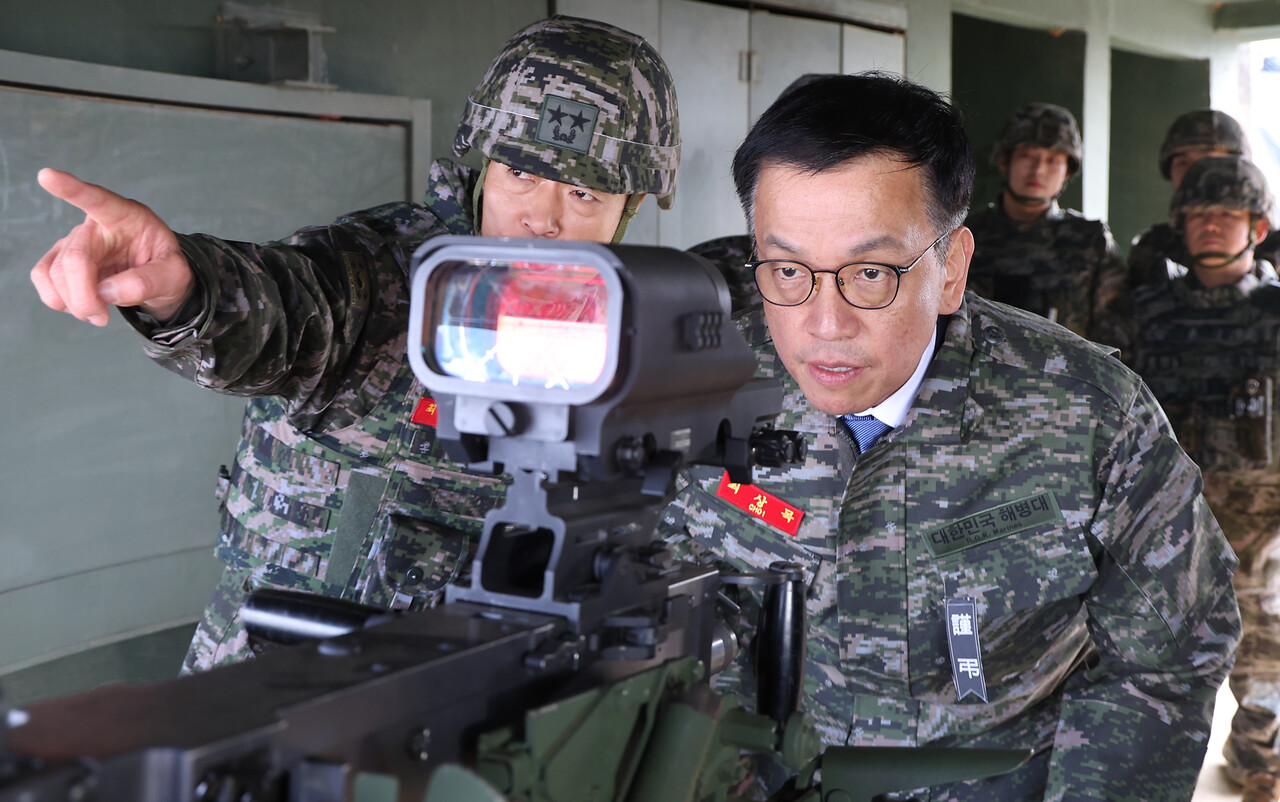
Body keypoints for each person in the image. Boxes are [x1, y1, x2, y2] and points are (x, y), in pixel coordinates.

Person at [28, 14, 681, 673]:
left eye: (581, 192)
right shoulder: (382, 274)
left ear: (625, 211)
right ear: (483, 167)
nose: (542, 217)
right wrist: (188, 290)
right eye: (520, 174)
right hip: (272, 684)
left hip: (454, 701)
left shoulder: (625, 341)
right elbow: (289, 305)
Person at [659, 72, 1240, 799]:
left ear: (952, 269)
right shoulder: (700, 392)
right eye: (787, 269)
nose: (825, 322)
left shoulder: (1089, 415)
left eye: (870, 272)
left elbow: (1173, 648)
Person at [1129, 154, 1280, 802]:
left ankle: (1258, 761)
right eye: (1198, 214)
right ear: (1179, 226)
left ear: (1259, 225)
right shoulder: (1142, 313)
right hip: (1165, 522)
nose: (1211, 226)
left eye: (1227, 214)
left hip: (1261, 522)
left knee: (1263, 654)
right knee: (1151, 652)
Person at [964, 103, 1129, 350]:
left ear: (1067, 172)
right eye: (1027, 155)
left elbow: (1117, 333)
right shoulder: (967, 235)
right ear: (1003, 161)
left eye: (1052, 160)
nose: (1038, 169)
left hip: (1069, 381)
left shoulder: (1090, 241)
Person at [1128, 108, 1280, 290]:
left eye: (1209, 162)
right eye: (1183, 163)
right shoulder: (1153, 248)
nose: (1195, 173)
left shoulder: (1273, 248)